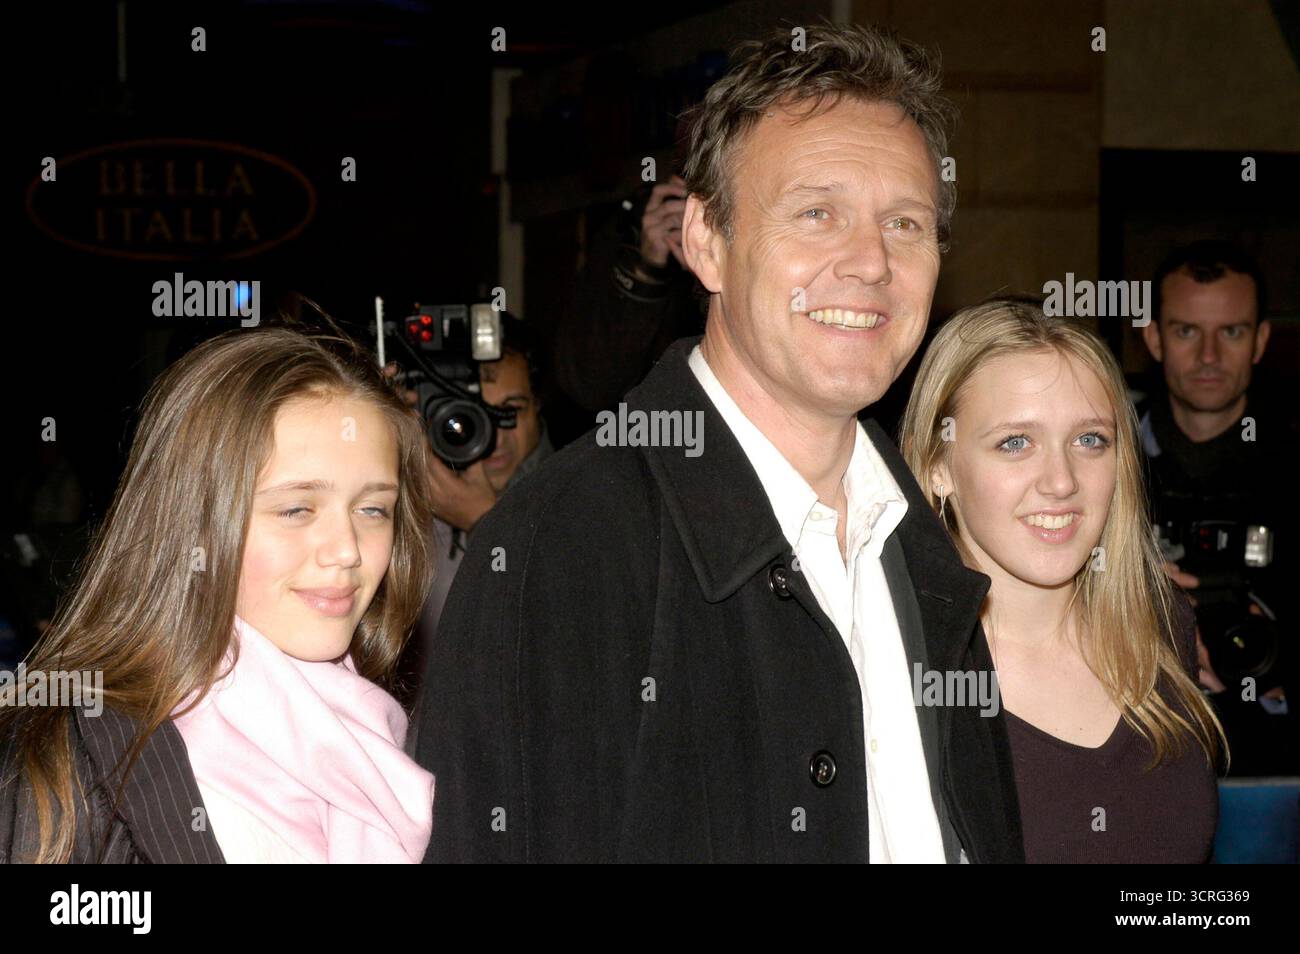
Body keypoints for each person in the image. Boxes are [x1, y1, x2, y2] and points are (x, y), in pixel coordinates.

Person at [412, 22, 1023, 863]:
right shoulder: (565, 545)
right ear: (705, 242)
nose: (872, 263)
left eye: (906, 224)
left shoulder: (923, 545)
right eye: (817, 213)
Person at [1, 322, 437, 863]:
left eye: (372, 509)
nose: (347, 549)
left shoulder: (373, 738)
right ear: (193, 522)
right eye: (297, 508)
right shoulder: (62, 762)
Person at [900, 298, 1226, 862]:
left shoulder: (1160, 623)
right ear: (938, 466)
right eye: (1015, 442)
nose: (1061, 481)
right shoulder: (897, 663)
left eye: (1090, 440)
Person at [1138, 239, 1298, 775]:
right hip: (1133, 756)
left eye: (1230, 332)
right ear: (1154, 338)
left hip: (1275, 769)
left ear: (1260, 340)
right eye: (1186, 331)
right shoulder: (1098, 460)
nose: (1209, 356)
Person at [405, 316, 554, 690]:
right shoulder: (400, 506)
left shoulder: (582, 501)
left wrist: (483, 521)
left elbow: (558, 647)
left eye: (510, 410)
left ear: (538, 407)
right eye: (472, 413)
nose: (492, 435)